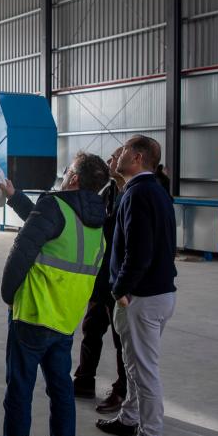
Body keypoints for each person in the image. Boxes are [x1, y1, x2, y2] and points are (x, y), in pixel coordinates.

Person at [0, 152, 109, 436]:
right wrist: (16, 199)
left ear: (73, 180)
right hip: (65, 320)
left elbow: (22, 252)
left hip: (32, 316)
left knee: (19, 391)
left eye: (67, 170)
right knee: (61, 394)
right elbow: (47, 229)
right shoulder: (97, 220)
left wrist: (8, 296)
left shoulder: (54, 206)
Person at [95, 135, 177, 436]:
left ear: (139, 157)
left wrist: (120, 288)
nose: (118, 156)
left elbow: (138, 252)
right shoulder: (152, 191)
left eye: (125, 150)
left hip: (142, 297)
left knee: (144, 371)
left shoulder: (139, 194)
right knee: (132, 365)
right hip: (155, 293)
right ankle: (129, 419)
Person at [73, 147, 127, 414]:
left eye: (117, 156)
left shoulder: (132, 195)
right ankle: (84, 379)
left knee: (121, 339)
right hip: (101, 274)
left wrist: (123, 285)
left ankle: (122, 389)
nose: (111, 160)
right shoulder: (108, 191)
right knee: (92, 329)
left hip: (118, 281)